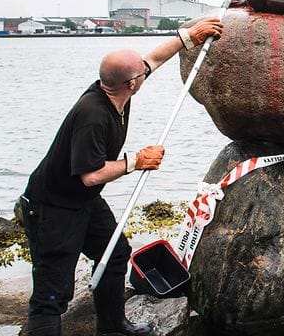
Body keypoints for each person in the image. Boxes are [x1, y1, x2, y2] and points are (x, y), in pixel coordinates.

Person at [19, 18, 223, 336]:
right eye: (140, 74)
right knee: (51, 295)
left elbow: (153, 59)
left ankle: (112, 328)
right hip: (52, 207)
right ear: (131, 83)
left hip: (83, 201)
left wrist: (189, 37)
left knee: (115, 254)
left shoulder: (116, 89)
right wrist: (136, 161)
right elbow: (90, 175)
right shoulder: (94, 115)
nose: (146, 73)